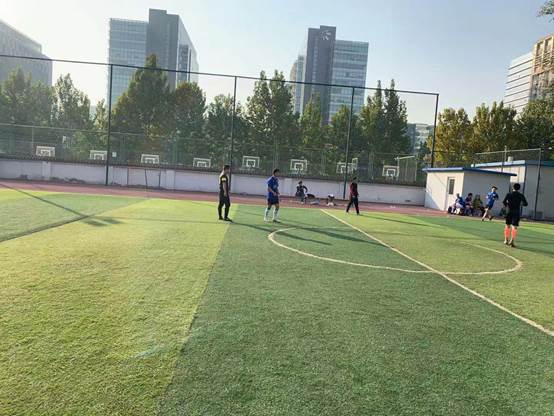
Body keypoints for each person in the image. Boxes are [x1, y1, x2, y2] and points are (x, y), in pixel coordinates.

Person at [502, 183, 528, 247]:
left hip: (509, 211)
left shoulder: (509, 194)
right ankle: (512, 241)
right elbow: (526, 204)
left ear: (513, 187)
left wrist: (507, 204)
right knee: (514, 227)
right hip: (516, 212)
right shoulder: (521, 195)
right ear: (519, 188)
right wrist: (521, 204)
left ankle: (506, 240)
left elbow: (504, 202)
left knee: (507, 226)